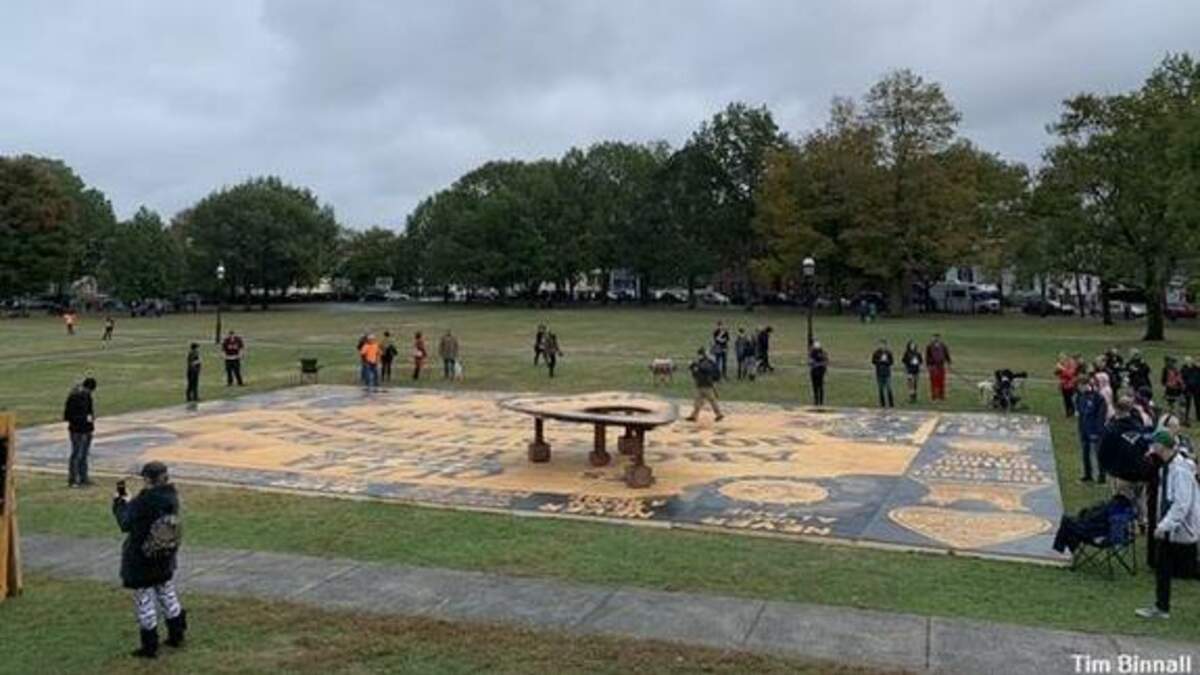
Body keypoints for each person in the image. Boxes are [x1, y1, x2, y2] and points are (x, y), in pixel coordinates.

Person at [113, 461, 188, 657]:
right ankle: (176, 633)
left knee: (144, 601)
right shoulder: (171, 497)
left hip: (141, 559)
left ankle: (149, 645)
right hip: (163, 555)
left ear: (147, 479)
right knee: (167, 594)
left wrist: (120, 503)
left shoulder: (144, 501)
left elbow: (125, 523)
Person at [1135, 431, 1200, 621]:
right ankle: (1161, 607)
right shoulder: (1168, 467)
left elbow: (1181, 503)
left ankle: (1162, 607)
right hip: (1173, 529)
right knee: (1163, 567)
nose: (1152, 448)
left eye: (1154, 444)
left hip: (1181, 529)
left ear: (1162, 446)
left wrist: (1164, 525)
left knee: (1188, 569)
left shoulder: (1180, 470)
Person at [63, 377, 97, 488]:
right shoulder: (74, 397)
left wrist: (91, 420)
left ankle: (83, 478)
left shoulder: (87, 396)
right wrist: (83, 419)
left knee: (84, 455)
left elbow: (90, 411)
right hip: (77, 430)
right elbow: (67, 415)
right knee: (76, 455)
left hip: (87, 429)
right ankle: (73, 479)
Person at [1075, 376, 1108, 483]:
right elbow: (1080, 412)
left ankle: (1101, 476)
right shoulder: (1080, 396)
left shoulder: (1098, 397)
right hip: (1084, 428)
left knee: (1098, 453)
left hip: (1095, 429)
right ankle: (1087, 474)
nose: (1079, 389)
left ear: (1086, 385)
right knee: (1085, 452)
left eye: (1080, 386)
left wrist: (1097, 430)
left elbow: (1101, 415)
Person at [685, 348, 723, 422]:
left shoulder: (707, 362)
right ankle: (694, 416)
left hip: (707, 385)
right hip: (700, 385)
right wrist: (692, 368)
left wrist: (695, 365)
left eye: (700, 355)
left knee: (712, 400)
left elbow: (705, 368)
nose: (699, 356)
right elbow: (695, 374)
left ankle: (719, 414)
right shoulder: (700, 362)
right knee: (697, 402)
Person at [924, 334, 952, 401]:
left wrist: (949, 362)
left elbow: (946, 354)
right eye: (934, 338)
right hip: (933, 366)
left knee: (941, 381)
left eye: (937, 338)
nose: (936, 339)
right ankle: (934, 396)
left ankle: (941, 395)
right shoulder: (929, 346)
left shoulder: (943, 346)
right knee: (933, 381)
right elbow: (927, 357)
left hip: (941, 365)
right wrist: (928, 365)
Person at [872, 339, 895, 408]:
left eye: (884, 345)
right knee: (880, 389)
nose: (882, 346)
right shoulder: (876, 353)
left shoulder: (888, 353)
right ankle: (882, 404)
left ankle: (891, 403)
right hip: (879, 372)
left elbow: (891, 362)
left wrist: (886, 361)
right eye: (881, 344)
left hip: (887, 373)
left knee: (889, 388)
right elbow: (873, 361)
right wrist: (880, 361)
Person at [1054, 353, 1079, 418]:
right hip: (1064, 385)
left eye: (1062, 359)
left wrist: (1062, 369)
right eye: (1059, 359)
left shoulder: (1071, 364)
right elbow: (1056, 374)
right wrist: (1057, 370)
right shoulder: (1062, 365)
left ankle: (1073, 411)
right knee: (1065, 399)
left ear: (1065, 358)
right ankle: (1068, 413)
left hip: (1070, 385)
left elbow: (1070, 374)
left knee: (1071, 399)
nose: (1060, 361)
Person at [808, 340, 830, 406]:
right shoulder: (812, 353)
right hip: (815, 373)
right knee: (815, 388)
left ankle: (820, 403)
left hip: (819, 373)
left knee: (819, 388)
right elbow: (810, 362)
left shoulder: (822, 354)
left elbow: (826, 362)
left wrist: (818, 364)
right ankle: (816, 402)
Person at [1183, 356, 1200, 426]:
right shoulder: (1184, 368)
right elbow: (1184, 376)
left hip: (1197, 388)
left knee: (1198, 403)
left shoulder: (1196, 368)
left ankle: (1198, 416)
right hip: (1188, 389)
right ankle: (1186, 417)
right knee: (1188, 404)